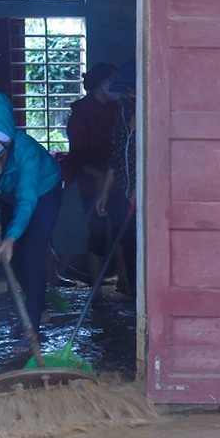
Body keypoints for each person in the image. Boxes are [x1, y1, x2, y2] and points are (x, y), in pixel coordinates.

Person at [0, 93, 62, 345]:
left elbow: (28, 198)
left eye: (1, 145)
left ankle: (33, 328)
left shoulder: (26, 149)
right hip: (10, 197)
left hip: (42, 193)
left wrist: (11, 236)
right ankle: (36, 308)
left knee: (30, 256)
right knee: (14, 260)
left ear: (10, 136)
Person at [65, 63, 120, 287]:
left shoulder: (116, 109)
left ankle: (124, 282)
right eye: (113, 80)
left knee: (121, 230)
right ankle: (96, 288)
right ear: (102, 83)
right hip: (92, 182)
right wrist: (100, 180)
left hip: (117, 179)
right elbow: (77, 157)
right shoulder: (82, 113)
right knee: (97, 231)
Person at [95, 60, 137, 299]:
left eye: (130, 91)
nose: (127, 96)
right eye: (125, 92)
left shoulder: (152, 116)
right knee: (128, 244)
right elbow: (115, 158)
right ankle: (135, 302)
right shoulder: (122, 115)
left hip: (146, 198)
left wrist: (141, 190)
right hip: (123, 193)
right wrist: (105, 192)